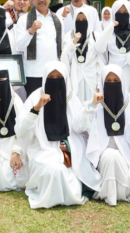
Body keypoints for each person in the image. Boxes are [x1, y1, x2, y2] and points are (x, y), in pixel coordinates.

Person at [17, 62, 100, 209]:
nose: (55, 80)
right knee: (54, 171)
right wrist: (36, 109)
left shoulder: (70, 97)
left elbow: (79, 126)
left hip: (70, 152)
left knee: (71, 181)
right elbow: (22, 131)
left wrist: (91, 106)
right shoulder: (35, 97)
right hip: (43, 152)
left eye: (59, 77)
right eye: (51, 77)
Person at [84, 65, 130, 206]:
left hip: (125, 155)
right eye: (108, 81)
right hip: (102, 156)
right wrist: (91, 105)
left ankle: (120, 193)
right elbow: (78, 126)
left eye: (116, 80)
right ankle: (109, 194)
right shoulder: (96, 103)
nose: (112, 84)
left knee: (115, 157)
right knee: (110, 155)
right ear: (102, 83)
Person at [15, 0, 64, 97]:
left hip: (54, 73)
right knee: (34, 107)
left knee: (54, 106)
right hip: (33, 74)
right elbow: (19, 46)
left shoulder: (58, 19)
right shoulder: (24, 20)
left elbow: (62, 45)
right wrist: (30, 31)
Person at [95, 0, 130, 103]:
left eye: (125, 12)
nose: (122, 15)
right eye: (118, 12)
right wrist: (110, 27)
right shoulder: (109, 31)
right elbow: (99, 48)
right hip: (112, 76)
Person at [60, 9, 101, 102]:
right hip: (75, 79)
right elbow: (65, 58)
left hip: (91, 80)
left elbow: (100, 61)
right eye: (78, 20)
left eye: (84, 20)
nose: (81, 22)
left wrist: (99, 82)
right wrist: (74, 42)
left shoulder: (95, 36)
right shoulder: (69, 36)